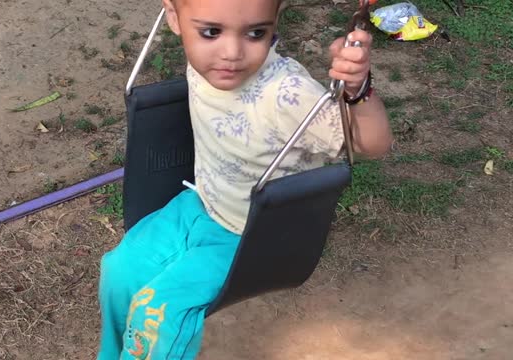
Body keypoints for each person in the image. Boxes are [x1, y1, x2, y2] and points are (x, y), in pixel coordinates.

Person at [97, 0, 393, 359]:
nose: (232, 53)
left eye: (256, 33)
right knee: (118, 272)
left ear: (275, 21)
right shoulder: (202, 65)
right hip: (200, 203)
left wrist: (358, 91)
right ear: (173, 18)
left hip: (250, 238)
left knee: (161, 311)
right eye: (211, 32)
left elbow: (372, 145)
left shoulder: (287, 94)